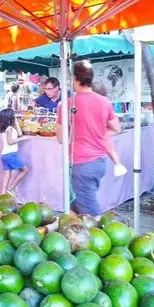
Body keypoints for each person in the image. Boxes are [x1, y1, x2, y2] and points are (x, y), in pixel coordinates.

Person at [56, 61, 122, 217]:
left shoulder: (67, 104)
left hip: (81, 164)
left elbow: (60, 138)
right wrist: (98, 134)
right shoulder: (104, 102)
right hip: (99, 163)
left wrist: (76, 132)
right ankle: (70, 231)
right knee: (77, 203)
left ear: (75, 79)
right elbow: (116, 128)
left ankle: (98, 236)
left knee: (91, 212)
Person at [0, 108, 29, 196]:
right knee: (25, 170)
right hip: (10, 155)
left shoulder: (6, 128)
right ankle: (11, 188)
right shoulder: (9, 129)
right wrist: (22, 139)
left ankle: (2, 194)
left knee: (7, 175)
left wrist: (15, 122)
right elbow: (10, 141)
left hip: (4, 155)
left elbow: (19, 133)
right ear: (10, 117)